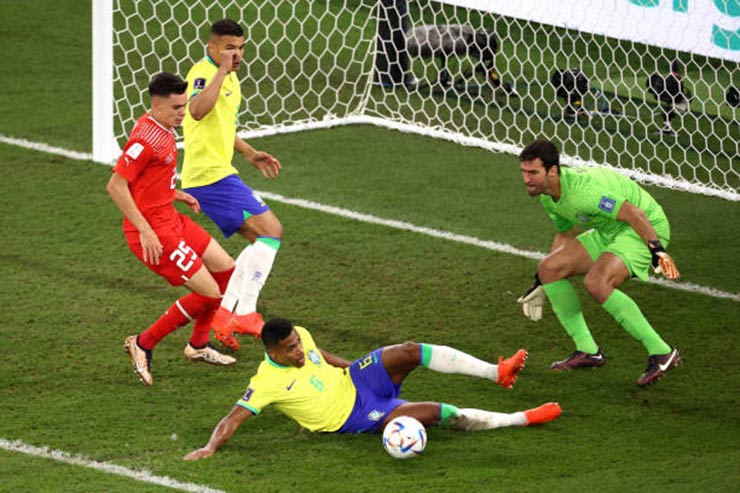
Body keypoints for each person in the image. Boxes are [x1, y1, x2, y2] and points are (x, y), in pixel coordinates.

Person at [183, 318, 561, 460]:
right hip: (355, 415)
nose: (299, 350)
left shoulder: (302, 337)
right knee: (437, 412)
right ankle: (521, 418)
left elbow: (319, 354)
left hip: (356, 380)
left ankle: (498, 372)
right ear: (272, 352)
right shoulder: (265, 382)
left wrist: (358, 367)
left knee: (409, 350)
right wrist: (210, 446)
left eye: (298, 342)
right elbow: (234, 417)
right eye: (291, 349)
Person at [516, 139, 682, 387]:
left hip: (643, 228)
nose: (526, 179)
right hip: (609, 230)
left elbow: (633, 213)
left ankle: (662, 351)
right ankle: (588, 351)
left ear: (552, 171)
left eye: (533, 173)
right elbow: (565, 233)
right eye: (524, 172)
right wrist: (542, 283)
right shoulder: (548, 197)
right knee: (548, 269)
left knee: (597, 281)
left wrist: (657, 250)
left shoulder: (583, 193)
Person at [107, 72, 238, 387]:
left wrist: (173, 193)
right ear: (157, 105)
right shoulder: (145, 139)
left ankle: (198, 345)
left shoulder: (162, 126)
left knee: (226, 269)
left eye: (184, 105)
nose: (183, 112)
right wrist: (146, 231)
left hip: (170, 217)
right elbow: (116, 186)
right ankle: (143, 343)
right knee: (208, 293)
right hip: (154, 233)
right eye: (177, 107)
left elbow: (146, 177)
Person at [182, 19, 283, 350]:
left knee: (259, 242)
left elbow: (221, 124)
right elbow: (197, 111)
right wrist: (222, 71)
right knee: (271, 230)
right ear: (212, 47)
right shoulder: (203, 73)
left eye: (240, 48)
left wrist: (249, 152)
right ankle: (246, 312)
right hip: (209, 176)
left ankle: (225, 313)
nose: (236, 55)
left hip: (218, 173)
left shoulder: (230, 77)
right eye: (229, 48)